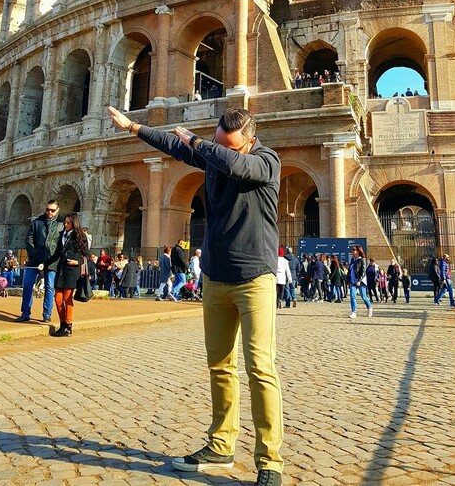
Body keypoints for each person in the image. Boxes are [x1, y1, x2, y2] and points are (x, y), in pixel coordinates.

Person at [107, 105, 284, 484]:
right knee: (220, 366)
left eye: (229, 146)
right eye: (218, 142)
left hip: (255, 278)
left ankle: (269, 461)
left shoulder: (266, 162)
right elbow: (174, 145)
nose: (222, 152)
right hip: (216, 277)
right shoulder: (214, 157)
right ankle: (221, 446)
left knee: (260, 368)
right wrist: (133, 126)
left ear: (249, 142)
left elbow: (237, 166)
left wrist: (202, 144)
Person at [16, 200, 61, 322]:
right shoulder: (37, 222)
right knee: (27, 285)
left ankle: (47, 314)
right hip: (35, 259)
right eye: (47, 209)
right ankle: (25, 313)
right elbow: (29, 239)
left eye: (52, 210)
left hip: (51, 260)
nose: (49, 212)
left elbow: (61, 244)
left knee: (49, 287)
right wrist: (33, 254)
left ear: (57, 210)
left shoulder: (61, 225)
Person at [45, 212, 88, 336]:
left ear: (74, 223)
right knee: (58, 299)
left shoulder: (80, 236)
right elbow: (57, 253)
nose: (65, 224)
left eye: (68, 223)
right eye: (64, 222)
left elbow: (85, 255)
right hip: (61, 269)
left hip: (71, 271)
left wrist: (77, 262)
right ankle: (62, 324)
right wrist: (46, 263)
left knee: (67, 298)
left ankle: (68, 326)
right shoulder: (62, 235)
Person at [347, 245, 372, 319]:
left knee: (363, 296)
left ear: (358, 251)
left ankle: (369, 307)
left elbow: (363, 271)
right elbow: (350, 270)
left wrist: (359, 280)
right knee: (352, 296)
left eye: (354, 250)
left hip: (360, 280)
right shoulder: (352, 259)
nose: (352, 251)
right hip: (352, 280)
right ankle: (353, 311)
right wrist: (348, 279)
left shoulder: (362, 260)